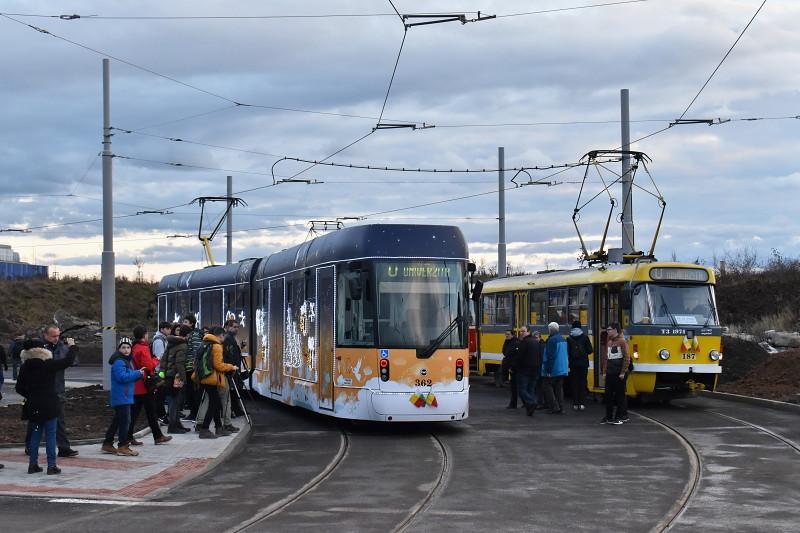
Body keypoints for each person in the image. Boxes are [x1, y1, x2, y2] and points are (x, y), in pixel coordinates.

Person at [16, 338, 77, 474]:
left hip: (34, 407)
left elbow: (19, 388)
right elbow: (68, 361)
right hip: (49, 405)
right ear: (43, 350)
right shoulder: (48, 364)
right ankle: (51, 466)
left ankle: (33, 465)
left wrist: (31, 395)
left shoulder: (25, 367)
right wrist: (72, 347)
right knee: (50, 435)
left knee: (36, 434)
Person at [101, 338, 146, 456]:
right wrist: (137, 373)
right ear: (119, 349)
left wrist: (138, 374)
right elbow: (122, 377)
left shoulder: (124, 360)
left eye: (128, 347)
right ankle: (122, 446)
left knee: (117, 420)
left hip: (123, 395)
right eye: (123, 347)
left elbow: (126, 376)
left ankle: (107, 443)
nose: (126, 350)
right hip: (122, 396)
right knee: (125, 421)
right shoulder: (120, 361)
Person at [128, 326, 172, 446]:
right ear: (144, 335)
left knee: (135, 413)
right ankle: (158, 436)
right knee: (151, 412)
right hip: (145, 386)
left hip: (137, 385)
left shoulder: (134, 347)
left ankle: (128, 436)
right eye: (147, 334)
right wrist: (156, 360)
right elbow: (148, 366)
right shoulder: (143, 348)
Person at [41, 325, 79, 458]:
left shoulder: (61, 347)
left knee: (60, 420)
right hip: (44, 390)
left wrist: (69, 349)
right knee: (38, 420)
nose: (56, 338)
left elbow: (73, 362)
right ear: (45, 335)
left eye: (58, 335)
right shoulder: (40, 349)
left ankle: (64, 448)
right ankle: (30, 445)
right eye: (53, 336)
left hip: (58, 388)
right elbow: (61, 363)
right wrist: (72, 349)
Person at [193, 326, 238, 439]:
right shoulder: (217, 346)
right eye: (223, 336)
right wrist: (231, 367)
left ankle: (218, 428)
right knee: (214, 404)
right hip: (211, 378)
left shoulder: (205, 343)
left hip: (203, 377)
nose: (223, 339)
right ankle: (204, 429)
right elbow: (218, 365)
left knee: (215, 403)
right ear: (220, 335)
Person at [163, 324, 191, 434]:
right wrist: (184, 379)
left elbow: (164, 360)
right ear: (187, 334)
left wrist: (163, 373)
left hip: (168, 375)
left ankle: (177, 424)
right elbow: (180, 364)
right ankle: (173, 426)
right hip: (176, 377)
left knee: (172, 401)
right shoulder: (183, 346)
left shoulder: (172, 343)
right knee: (175, 402)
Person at [601, 323, 631, 425]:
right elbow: (606, 358)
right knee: (608, 396)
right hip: (610, 372)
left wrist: (623, 372)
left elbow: (627, 358)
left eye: (609, 330)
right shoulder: (609, 342)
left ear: (615, 330)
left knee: (620, 396)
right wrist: (604, 372)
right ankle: (608, 417)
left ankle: (619, 417)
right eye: (607, 330)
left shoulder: (622, 342)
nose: (607, 331)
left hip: (619, 373)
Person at [541, 322, 569, 414]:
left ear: (550, 330)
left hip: (554, 368)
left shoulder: (552, 340)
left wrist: (548, 370)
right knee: (559, 388)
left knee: (547, 386)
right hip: (562, 368)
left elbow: (550, 356)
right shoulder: (563, 339)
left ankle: (553, 406)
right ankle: (561, 407)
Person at [567, 320, 594, 411]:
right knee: (582, 382)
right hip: (583, 364)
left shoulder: (569, 338)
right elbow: (590, 350)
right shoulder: (585, 337)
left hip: (573, 364)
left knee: (574, 383)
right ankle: (581, 403)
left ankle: (575, 403)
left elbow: (567, 352)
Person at [515, 327, 542, 417]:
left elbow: (520, 357)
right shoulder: (536, 341)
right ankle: (530, 409)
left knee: (522, 389)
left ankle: (531, 403)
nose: (521, 333)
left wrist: (516, 367)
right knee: (531, 389)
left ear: (528, 332)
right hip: (536, 368)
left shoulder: (524, 343)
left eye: (523, 331)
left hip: (525, 369)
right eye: (521, 331)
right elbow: (540, 355)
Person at [222, 319, 245, 423]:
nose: (236, 329)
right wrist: (232, 367)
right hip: (231, 370)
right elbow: (229, 355)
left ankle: (236, 410)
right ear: (228, 327)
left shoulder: (231, 338)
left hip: (234, 368)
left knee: (234, 391)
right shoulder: (228, 339)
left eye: (237, 327)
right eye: (234, 327)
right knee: (230, 392)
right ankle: (230, 411)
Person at [182, 315, 204, 421]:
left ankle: (195, 413)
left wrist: (195, 367)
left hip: (192, 368)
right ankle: (194, 413)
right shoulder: (191, 334)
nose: (183, 323)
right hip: (189, 367)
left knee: (193, 392)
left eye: (186, 322)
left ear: (191, 324)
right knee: (190, 392)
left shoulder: (195, 335)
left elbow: (196, 352)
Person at [151, 321, 172, 424]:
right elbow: (160, 357)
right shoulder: (159, 340)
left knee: (160, 394)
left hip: (161, 370)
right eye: (168, 329)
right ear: (162, 329)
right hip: (160, 371)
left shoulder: (163, 339)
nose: (169, 330)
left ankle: (161, 414)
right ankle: (161, 415)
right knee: (160, 394)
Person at [500, 330, 520, 408]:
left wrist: (512, 367)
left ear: (512, 335)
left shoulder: (516, 343)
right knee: (513, 387)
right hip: (510, 367)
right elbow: (504, 351)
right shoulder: (507, 341)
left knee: (516, 386)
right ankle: (513, 403)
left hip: (514, 368)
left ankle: (516, 403)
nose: (506, 336)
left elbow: (515, 357)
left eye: (508, 334)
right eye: (506, 334)